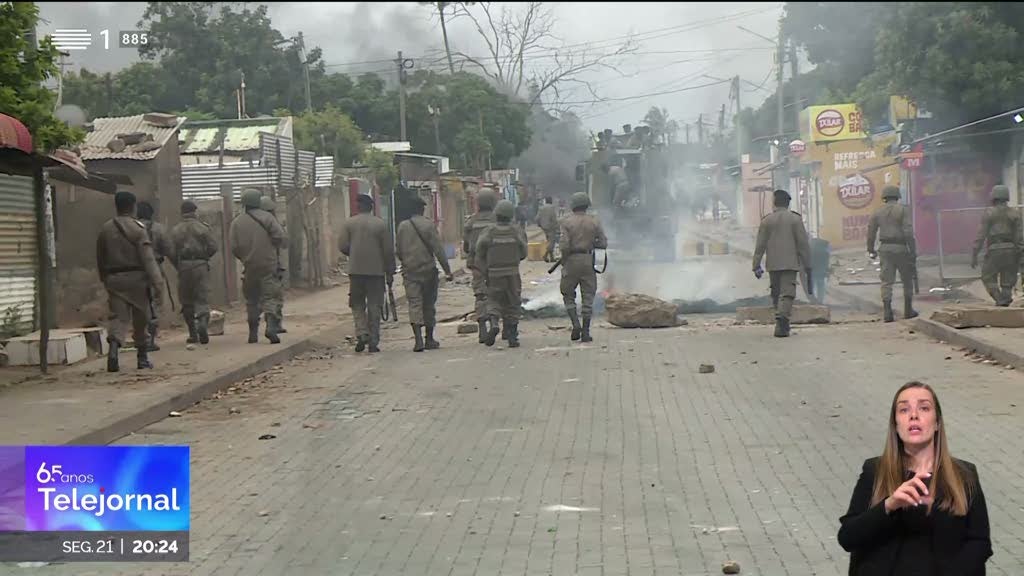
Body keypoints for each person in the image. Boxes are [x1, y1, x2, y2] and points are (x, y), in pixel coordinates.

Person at [838, 381, 992, 575]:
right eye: (903, 410)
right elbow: (847, 538)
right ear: (895, 425)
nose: (913, 415)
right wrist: (889, 505)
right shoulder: (875, 470)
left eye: (924, 408)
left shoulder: (964, 474)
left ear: (937, 423)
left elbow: (980, 543)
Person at [96, 191, 163, 372]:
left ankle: (114, 349)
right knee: (140, 319)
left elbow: (100, 257)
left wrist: (105, 278)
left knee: (118, 317)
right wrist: (158, 283)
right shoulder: (138, 229)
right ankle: (142, 358)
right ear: (133, 206)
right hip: (137, 280)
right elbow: (148, 259)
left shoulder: (105, 229)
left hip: (114, 279)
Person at [339, 193, 395, 354]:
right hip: (376, 272)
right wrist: (389, 271)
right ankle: (373, 341)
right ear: (371, 207)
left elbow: (342, 246)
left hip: (355, 271)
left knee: (356, 304)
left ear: (358, 207)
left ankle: (361, 333)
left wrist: (355, 253)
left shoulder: (349, 223)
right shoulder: (380, 225)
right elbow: (388, 251)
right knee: (374, 306)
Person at [396, 196, 453, 352]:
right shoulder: (428, 225)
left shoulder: (402, 226)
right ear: (422, 209)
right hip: (428, 271)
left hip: (410, 272)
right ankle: (429, 339)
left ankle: (418, 340)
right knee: (428, 305)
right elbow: (438, 250)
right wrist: (447, 271)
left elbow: (398, 251)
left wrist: (407, 261)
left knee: (414, 304)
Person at [752, 189, 811, 338]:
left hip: (773, 264)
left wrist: (756, 265)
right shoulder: (795, 219)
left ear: (774, 202)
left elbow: (760, 246)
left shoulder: (766, 221)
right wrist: (807, 264)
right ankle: (782, 322)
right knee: (787, 293)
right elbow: (803, 244)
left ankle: (780, 319)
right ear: (788, 203)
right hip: (790, 263)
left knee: (776, 293)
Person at [230, 188, 286, 345]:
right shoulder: (267, 218)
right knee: (270, 296)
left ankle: (252, 333)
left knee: (252, 300)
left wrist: (245, 258)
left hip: (249, 266)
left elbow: (234, 247)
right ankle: (270, 327)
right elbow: (280, 237)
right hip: (268, 264)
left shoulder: (236, 222)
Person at [476, 199, 527, 348]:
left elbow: (480, 251)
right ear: (511, 215)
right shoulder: (516, 230)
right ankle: (512, 337)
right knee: (513, 303)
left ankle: (494, 324)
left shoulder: (489, 231)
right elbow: (523, 252)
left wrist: (486, 270)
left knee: (493, 300)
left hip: (494, 273)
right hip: (512, 272)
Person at [559, 192, 608, 343]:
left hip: (571, 260)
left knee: (568, 293)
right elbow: (603, 243)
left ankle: (575, 324)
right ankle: (586, 331)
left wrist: (563, 259)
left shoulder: (566, 222)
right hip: (588, 260)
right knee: (588, 296)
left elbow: (564, 245)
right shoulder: (594, 221)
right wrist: (591, 243)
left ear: (573, 205)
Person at [169, 200, 218, 345]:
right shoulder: (203, 228)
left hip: (183, 265)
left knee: (186, 299)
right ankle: (202, 322)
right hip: (200, 264)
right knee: (202, 297)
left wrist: (178, 265)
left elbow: (171, 251)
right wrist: (204, 257)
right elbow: (213, 246)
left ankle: (192, 333)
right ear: (194, 211)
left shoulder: (175, 230)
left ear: (182, 213)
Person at [868, 185, 918, 322]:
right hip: (901, 248)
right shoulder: (903, 210)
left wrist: (870, 250)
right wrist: (913, 250)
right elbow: (908, 232)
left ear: (884, 197)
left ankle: (887, 313)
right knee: (907, 280)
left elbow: (871, 233)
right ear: (897, 196)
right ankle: (908, 310)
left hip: (885, 248)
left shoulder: (878, 212)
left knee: (886, 281)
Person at [972, 184, 1022, 306]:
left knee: (988, 277)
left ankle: (999, 299)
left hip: (994, 250)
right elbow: (1020, 237)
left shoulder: (989, 213)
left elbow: (981, 235)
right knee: (1008, 279)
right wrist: (1020, 254)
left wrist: (974, 254)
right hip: (1011, 250)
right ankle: (1005, 300)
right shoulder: (1015, 214)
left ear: (994, 197)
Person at [136, 201, 173, 352]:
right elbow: (168, 249)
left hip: (135, 270)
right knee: (155, 303)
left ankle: (141, 338)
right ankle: (150, 339)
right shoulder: (158, 229)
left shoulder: (130, 227)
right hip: (155, 268)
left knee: (139, 303)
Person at [463, 189, 498, 343]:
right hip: (496, 264)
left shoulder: (471, 222)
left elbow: (466, 246)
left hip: (478, 264)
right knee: (496, 295)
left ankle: (482, 329)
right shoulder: (498, 220)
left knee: (480, 295)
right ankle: (494, 323)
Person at [260, 196, 288, 332]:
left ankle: (257, 327)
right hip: (273, 264)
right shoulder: (273, 224)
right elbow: (284, 242)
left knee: (260, 298)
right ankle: (274, 324)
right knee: (275, 295)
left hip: (254, 265)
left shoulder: (251, 223)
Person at [536, 196, 560, 263]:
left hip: (544, 227)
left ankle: (551, 258)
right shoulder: (552, 208)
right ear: (551, 201)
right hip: (551, 227)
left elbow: (537, 218)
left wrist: (540, 225)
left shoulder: (541, 208)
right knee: (552, 242)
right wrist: (557, 227)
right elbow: (554, 219)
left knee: (549, 241)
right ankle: (545, 255)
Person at [809, 236, 831, 304]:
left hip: (813, 272)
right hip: (821, 272)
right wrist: (827, 271)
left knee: (812, 287)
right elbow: (826, 263)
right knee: (821, 287)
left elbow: (810, 262)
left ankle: (812, 300)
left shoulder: (812, 251)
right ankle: (820, 301)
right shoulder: (825, 252)